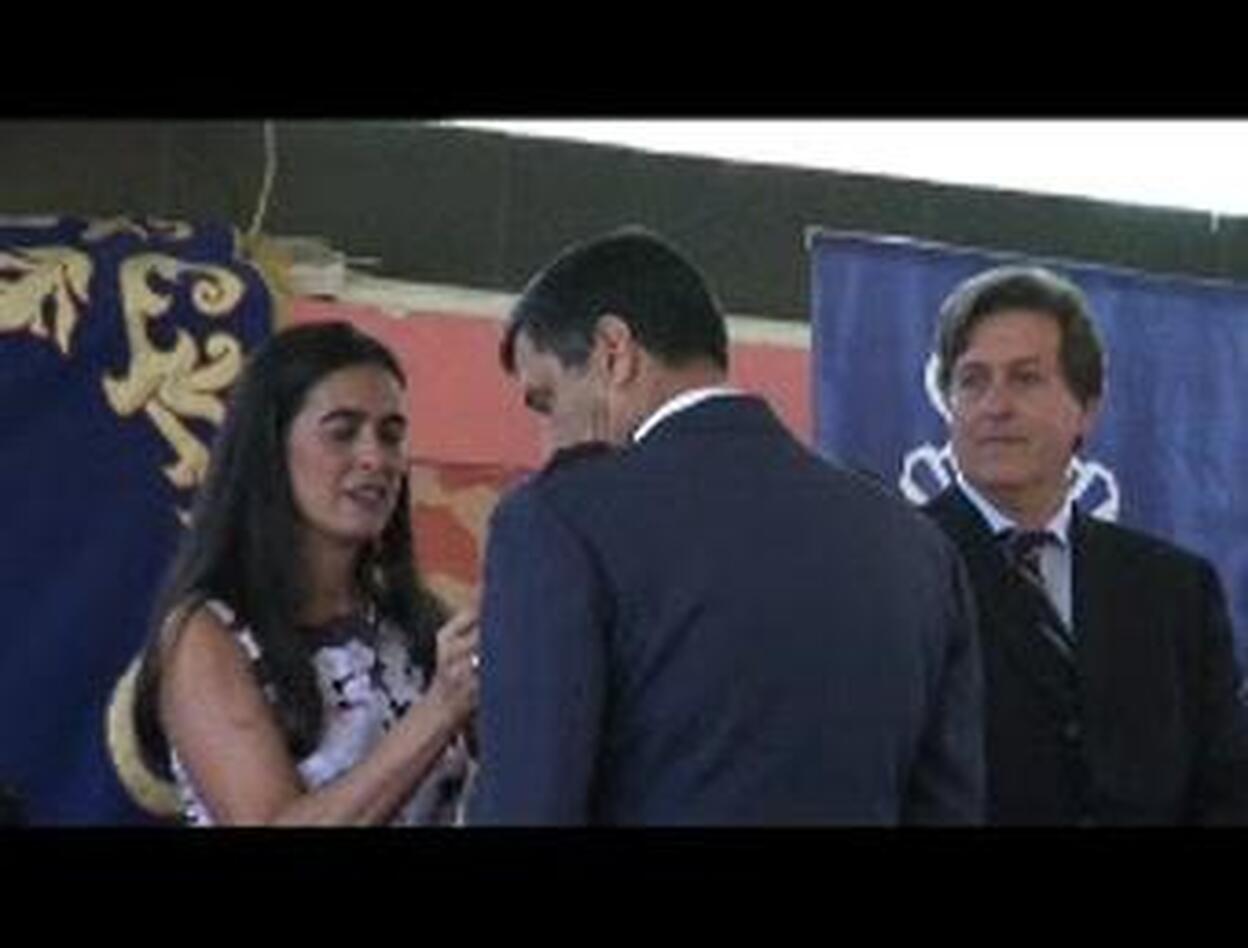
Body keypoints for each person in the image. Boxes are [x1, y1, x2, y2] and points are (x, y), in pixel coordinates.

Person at [468, 227, 984, 824]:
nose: (548, 440)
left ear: (614, 352)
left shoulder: (558, 523)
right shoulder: (917, 548)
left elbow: (528, 808)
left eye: (547, 400)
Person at [922, 264, 1248, 824]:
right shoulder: (900, 565)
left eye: (1025, 378)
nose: (995, 406)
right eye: (972, 381)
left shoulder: (1176, 590)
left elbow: (1228, 787)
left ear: (1087, 408)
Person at [132, 321, 479, 826]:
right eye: (343, 432)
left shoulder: (418, 624)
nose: (376, 458)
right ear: (271, 447)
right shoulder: (208, 635)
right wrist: (439, 712)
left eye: (391, 435)